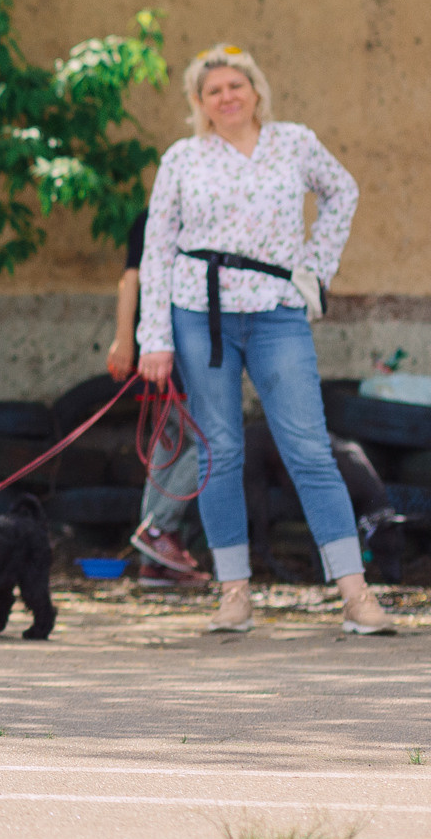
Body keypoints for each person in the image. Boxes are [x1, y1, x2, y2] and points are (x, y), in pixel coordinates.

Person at [136, 45, 392, 634]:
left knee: (309, 449)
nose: (226, 97)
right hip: (201, 314)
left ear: (255, 90)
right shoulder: (183, 158)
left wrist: (315, 272)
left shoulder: (294, 142)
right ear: (199, 104)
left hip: (278, 311)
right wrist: (155, 337)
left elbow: (342, 193)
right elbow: (156, 249)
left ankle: (356, 596)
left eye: (235, 85)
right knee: (220, 451)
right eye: (213, 91)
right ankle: (234, 594)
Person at [109, 208, 208, 586]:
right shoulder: (161, 217)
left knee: (167, 447)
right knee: (210, 441)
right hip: (174, 348)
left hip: (160, 347)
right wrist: (123, 338)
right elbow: (130, 280)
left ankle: (155, 563)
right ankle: (156, 531)